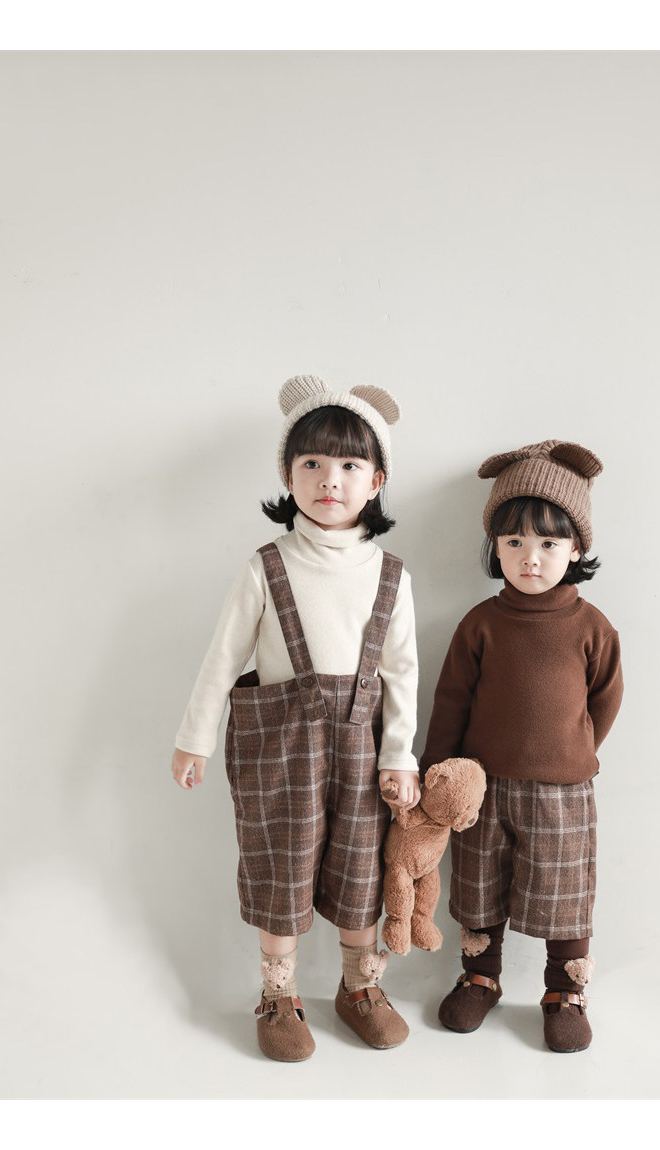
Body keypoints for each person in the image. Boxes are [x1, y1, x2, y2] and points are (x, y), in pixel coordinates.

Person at [171, 375, 420, 1062]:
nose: (329, 479)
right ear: (289, 476)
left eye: (349, 465)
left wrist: (400, 755)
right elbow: (223, 658)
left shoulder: (391, 575)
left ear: (376, 481)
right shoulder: (267, 566)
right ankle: (278, 995)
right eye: (311, 462)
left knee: (360, 869)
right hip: (282, 751)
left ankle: (358, 986)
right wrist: (194, 738)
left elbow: (402, 673)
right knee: (281, 868)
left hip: (363, 753)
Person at [420, 440, 623, 1053]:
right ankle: (480, 977)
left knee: (565, 892)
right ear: (495, 547)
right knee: (479, 885)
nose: (530, 558)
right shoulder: (480, 623)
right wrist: (435, 772)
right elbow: (451, 700)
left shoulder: (592, 627)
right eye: (514, 542)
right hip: (483, 788)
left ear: (576, 548)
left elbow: (605, 698)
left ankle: (566, 990)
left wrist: (575, 750)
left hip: (563, 791)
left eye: (549, 544)